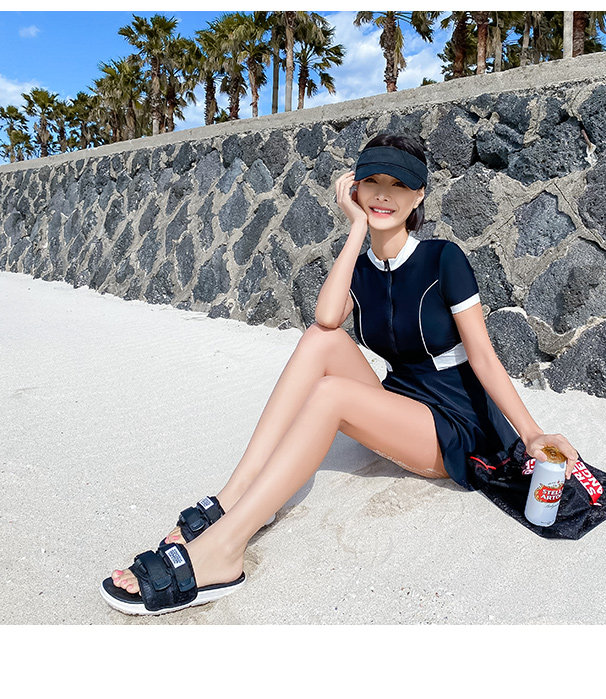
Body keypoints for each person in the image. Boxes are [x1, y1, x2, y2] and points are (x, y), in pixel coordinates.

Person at [101, 132, 580, 615]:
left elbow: (484, 357)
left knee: (330, 393)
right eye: (372, 182)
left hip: (455, 424)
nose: (383, 195)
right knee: (320, 340)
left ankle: (224, 550)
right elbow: (327, 319)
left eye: (399, 184)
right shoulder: (362, 266)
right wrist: (355, 231)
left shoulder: (443, 258)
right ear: (355, 188)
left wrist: (532, 433)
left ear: (419, 195)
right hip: (399, 402)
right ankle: (233, 496)